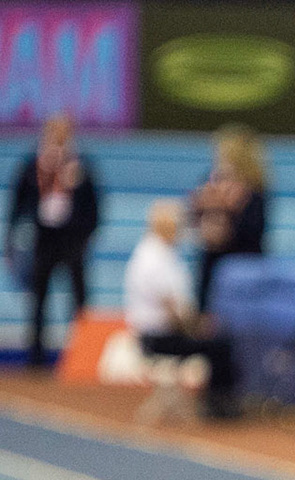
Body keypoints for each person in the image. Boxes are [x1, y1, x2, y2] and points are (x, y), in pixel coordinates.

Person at [123, 199, 241, 420]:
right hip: (159, 336)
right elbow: (172, 310)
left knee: (217, 342)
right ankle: (219, 406)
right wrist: (195, 328)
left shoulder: (157, 254)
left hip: (157, 332)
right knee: (220, 346)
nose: (182, 231)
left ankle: (217, 403)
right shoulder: (154, 259)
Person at [7, 115, 100, 368]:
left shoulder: (80, 165)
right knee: (38, 299)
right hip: (44, 238)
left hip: (71, 239)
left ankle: (84, 356)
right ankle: (36, 358)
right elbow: (18, 203)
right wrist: (11, 239)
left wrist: (85, 236)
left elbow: (94, 205)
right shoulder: (33, 164)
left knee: (79, 300)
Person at [189, 124, 270, 313]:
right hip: (213, 268)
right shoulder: (209, 183)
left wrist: (228, 213)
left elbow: (253, 232)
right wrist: (204, 209)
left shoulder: (254, 192)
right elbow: (194, 221)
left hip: (243, 271)